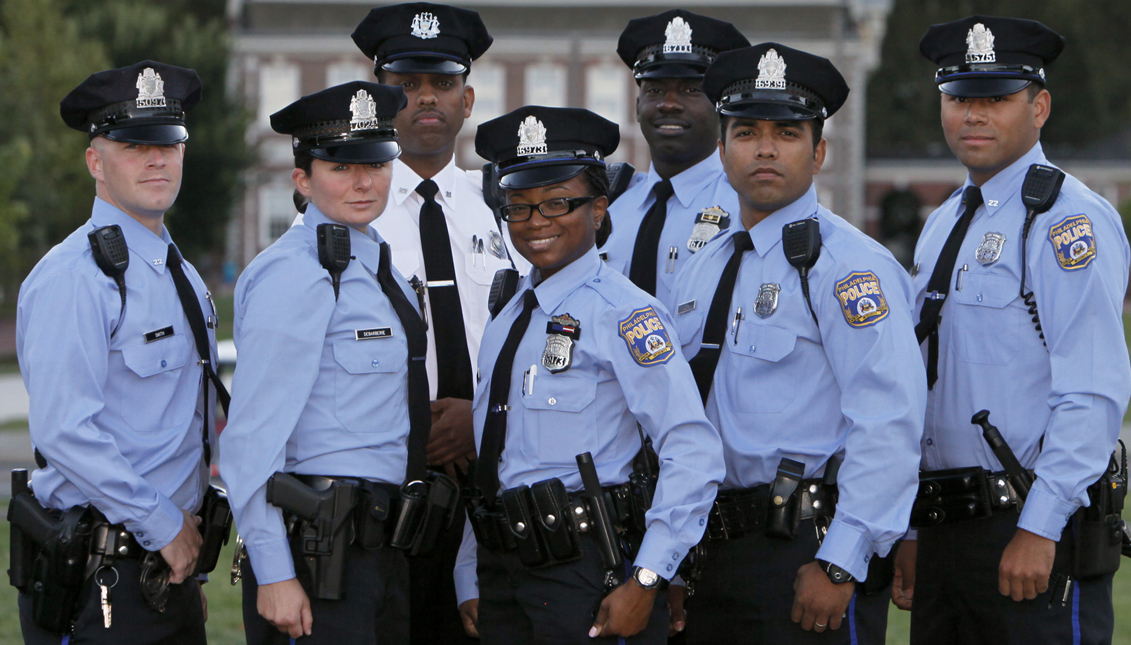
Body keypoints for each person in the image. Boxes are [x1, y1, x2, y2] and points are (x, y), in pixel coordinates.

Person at [668, 44, 926, 643]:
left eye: (786, 132)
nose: (764, 148)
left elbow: (889, 420)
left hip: (806, 553)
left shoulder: (850, 268)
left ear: (819, 152)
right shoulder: (700, 266)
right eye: (745, 131)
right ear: (722, 148)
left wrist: (842, 560)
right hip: (709, 551)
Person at [897, 16, 1131, 645]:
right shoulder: (944, 219)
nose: (973, 115)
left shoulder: (1066, 219)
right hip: (945, 527)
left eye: (996, 98)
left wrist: (1041, 524)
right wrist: (915, 530)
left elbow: (1093, 387)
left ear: (1040, 106)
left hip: (1028, 526)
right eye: (958, 98)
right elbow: (926, 382)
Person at [453, 106, 726, 644]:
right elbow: (494, 459)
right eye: (520, 207)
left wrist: (648, 578)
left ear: (599, 210)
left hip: (589, 567)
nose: (536, 222)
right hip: (504, 571)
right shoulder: (509, 316)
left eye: (559, 203)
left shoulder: (625, 314)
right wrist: (470, 573)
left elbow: (691, 448)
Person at [219, 81, 432, 645]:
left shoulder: (376, 266)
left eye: (376, 163)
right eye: (340, 166)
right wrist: (275, 572)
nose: (363, 181)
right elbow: (250, 441)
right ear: (302, 180)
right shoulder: (295, 272)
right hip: (317, 555)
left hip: (378, 546)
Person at [15, 60, 216, 644]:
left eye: (168, 143)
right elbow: (66, 431)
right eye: (133, 145)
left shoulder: (174, 268)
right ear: (95, 163)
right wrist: (163, 526)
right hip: (102, 576)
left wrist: (184, 566)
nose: (156, 159)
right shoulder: (75, 276)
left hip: (164, 567)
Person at [350, 7, 528, 639]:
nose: (426, 97)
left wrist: (479, 419)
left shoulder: (507, 212)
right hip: (383, 491)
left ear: (468, 98)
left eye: (444, 83)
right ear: (380, 95)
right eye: (406, 82)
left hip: (488, 488)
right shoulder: (344, 212)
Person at [599, 9, 747, 304]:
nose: (669, 104)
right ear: (638, 106)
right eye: (655, 89)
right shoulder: (609, 205)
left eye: (691, 89)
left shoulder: (746, 207)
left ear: (721, 106)